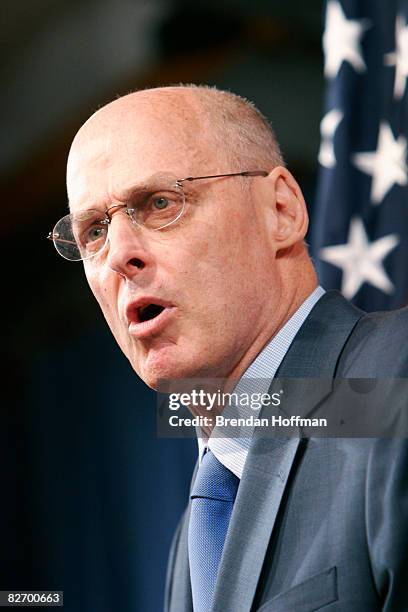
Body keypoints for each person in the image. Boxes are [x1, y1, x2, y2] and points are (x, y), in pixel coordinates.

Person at [49, 85, 408, 611]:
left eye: (161, 203)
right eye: (94, 232)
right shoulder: (197, 532)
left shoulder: (394, 381)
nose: (120, 254)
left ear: (281, 210)